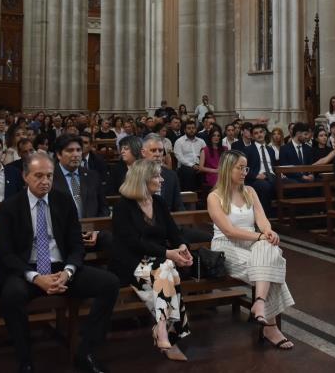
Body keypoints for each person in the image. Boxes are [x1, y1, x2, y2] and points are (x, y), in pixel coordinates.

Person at [0, 152, 119, 373]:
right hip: (29, 270)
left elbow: (76, 244)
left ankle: (86, 353)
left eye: (49, 176)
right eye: (38, 176)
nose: (45, 181)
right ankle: (25, 361)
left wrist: (68, 272)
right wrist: (36, 278)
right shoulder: (10, 207)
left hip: (61, 268)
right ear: (25, 176)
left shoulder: (63, 201)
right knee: (11, 295)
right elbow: (7, 254)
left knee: (109, 283)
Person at [207, 150, 295, 350]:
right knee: (272, 266)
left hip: (252, 242)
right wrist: (260, 236)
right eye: (240, 168)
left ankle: (260, 301)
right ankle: (271, 327)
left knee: (269, 248)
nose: (244, 172)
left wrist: (268, 232)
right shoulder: (214, 196)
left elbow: (262, 220)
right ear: (227, 168)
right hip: (226, 245)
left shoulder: (250, 191)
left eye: (245, 168)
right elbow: (229, 231)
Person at [111, 160, 192, 362]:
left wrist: (183, 247)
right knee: (169, 270)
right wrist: (168, 253)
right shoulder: (123, 206)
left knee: (166, 269)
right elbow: (133, 243)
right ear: (143, 180)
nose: (162, 179)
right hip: (132, 262)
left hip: (159, 261)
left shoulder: (159, 202)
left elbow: (173, 232)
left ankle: (161, 328)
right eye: (156, 176)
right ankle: (168, 334)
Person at [244, 130, 278, 214]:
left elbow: (274, 167)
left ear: (264, 133)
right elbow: (243, 168)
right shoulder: (248, 150)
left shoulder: (270, 150)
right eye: (256, 133)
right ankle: (264, 216)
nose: (259, 135)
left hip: (272, 176)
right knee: (265, 186)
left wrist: (281, 174)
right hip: (257, 178)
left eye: (261, 132)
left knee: (289, 183)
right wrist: (256, 175)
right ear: (252, 136)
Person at [172, 119, 205, 192]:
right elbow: (179, 157)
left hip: (200, 165)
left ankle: (204, 195)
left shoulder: (201, 141)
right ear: (185, 130)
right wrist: (192, 165)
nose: (191, 130)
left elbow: (206, 154)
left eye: (193, 128)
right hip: (185, 167)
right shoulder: (179, 141)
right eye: (189, 128)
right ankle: (191, 195)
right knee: (189, 171)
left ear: (196, 129)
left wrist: (200, 165)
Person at [198, 125, 228, 189]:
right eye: (214, 135)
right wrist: (215, 171)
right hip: (211, 174)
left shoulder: (225, 149)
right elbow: (200, 168)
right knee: (217, 179)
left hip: (223, 173)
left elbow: (228, 164)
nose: (216, 137)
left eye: (218, 136)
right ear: (210, 137)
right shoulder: (205, 150)